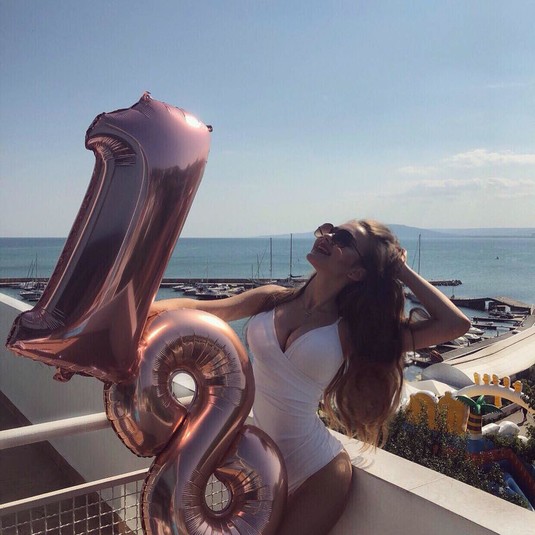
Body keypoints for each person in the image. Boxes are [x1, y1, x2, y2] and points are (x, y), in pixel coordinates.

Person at [150, 219, 470, 534]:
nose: (328, 237)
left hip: (317, 473)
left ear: (357, 272)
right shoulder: (273, 298)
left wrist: (400, 269)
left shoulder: (354, 331)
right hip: (260, 468)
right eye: (331, 230)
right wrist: (140, 313)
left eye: (343, 239)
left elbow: (455, 325)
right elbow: (203, 309)